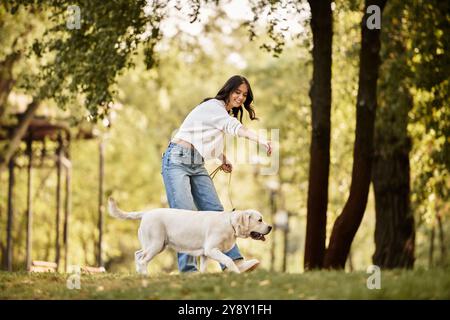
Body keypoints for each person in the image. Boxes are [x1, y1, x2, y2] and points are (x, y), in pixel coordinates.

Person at [161, 75, 272, 273]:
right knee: (184, 216)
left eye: (244, 95)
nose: (240, 97)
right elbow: (236, 128)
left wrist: (222, 158)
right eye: (237, 92)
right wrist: (261, 141)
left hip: (197, 163)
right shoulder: (214, 106)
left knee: (216, 209)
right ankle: (189, 271)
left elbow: (204, 137)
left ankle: (233, 263)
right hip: (177, 160)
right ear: (228, 91)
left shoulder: (222, 114)